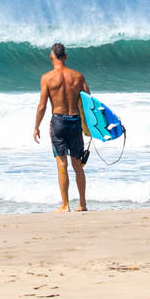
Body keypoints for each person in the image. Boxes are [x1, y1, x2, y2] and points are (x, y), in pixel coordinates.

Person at [34, 43, 90, 212]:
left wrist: (36, 126)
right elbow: (89, 102)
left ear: (52, 57)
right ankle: (82, 204)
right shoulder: (78, 77)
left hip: (58, 122)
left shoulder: (47, 78)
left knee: (61, 164)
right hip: (75, 121)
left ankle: (65, 205)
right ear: (65, 57)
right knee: (77, 164)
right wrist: (90, 126)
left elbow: (42, 106)